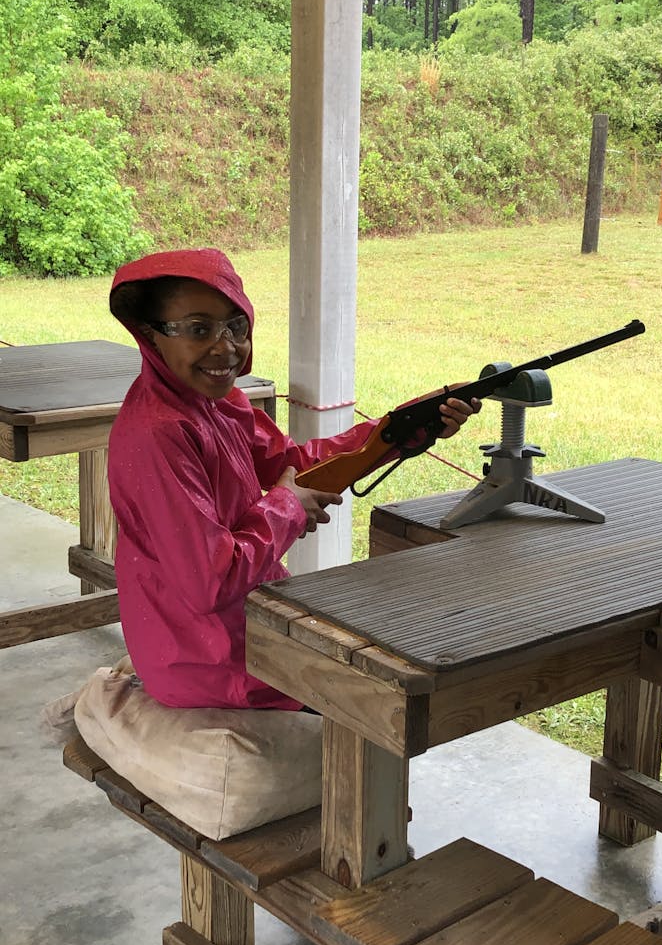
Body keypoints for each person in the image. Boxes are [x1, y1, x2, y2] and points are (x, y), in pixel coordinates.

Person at [107, 248, 480, 711]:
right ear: (151, 336)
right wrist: (285, 507)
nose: (225, 348)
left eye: (235, 326)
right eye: (199, 330)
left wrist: (404, 425)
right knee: (387, 695)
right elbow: (210, 582)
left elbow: (298, 465)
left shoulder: (219, 402)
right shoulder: (160, 434)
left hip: (240, 625)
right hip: (204, 661)